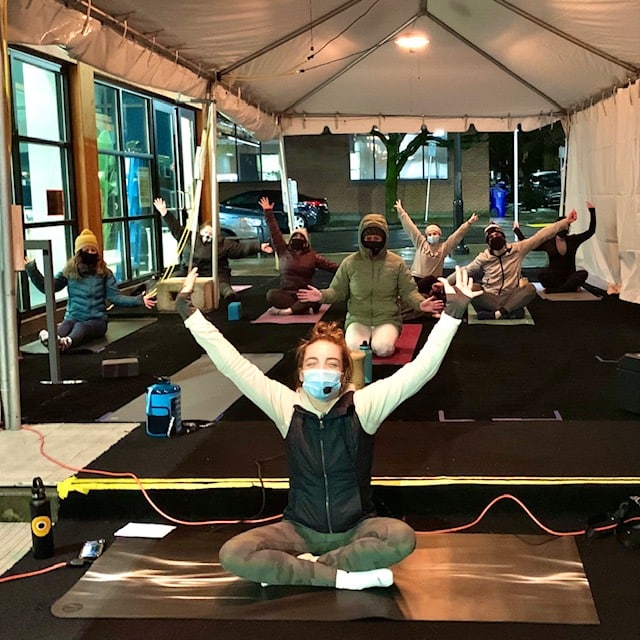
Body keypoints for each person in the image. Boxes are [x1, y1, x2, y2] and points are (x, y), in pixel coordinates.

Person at [175, 264, 479, 590]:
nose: (322, 370)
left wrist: (452, 315)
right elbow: (231, 363)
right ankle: (344, 577)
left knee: (400, 537)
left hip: (356, 530)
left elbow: (420, 370)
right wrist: (189, 314)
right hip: (298, 531)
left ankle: (309, 570)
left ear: (344, 375)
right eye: (313, 363)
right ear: (301, 373)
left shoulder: (364, 406)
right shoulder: (285, 406)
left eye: (331, 363)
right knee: (235, 553)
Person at [297, 213, 445, 356]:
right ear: (361, 238)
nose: (372, 241)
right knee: (355, 350)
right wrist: (321, 296)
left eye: (376, 238)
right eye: (368, 238)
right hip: (358, 319)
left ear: (384, 239)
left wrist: (420, 304)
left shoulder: (396, 263)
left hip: (387, 319)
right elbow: (337, 291)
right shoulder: (350, 263)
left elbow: (409, 291)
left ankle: (382, 339)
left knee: (383, 349)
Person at [24, 228, 156, 351]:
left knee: (80, 327)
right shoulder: (69, 271)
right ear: (79, 252)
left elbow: (115, 297)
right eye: (87, 250)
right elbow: (48, 287)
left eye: (93, 250)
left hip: (97, 321)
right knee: (66, 325)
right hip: (73, 317)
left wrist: (139, 300)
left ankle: (67, 342)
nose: (91, 253)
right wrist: (31, 269)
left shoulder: (105, 273)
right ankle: (53, 340)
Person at [454, 211, 577, 320]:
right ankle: (509, 312)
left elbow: (541, 235)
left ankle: (498, 314)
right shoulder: (483, 258)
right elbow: (464, 271)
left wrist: (565, 222)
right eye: (491, 237)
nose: (495, 237)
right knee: (471, 288)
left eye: (497, 235)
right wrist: (444, 285)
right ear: (487, 242)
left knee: (530, 289)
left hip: (511, 296)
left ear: (503, 236)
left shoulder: (518, 249)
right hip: (490, 298)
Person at [154, 197, 272, 302]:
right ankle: (155, 295)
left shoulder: (222, 244)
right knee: (174, 278)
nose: (207, 236)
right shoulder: (190, 238)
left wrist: (259, 246)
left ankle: (229, 294)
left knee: (222, 285)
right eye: (206, 232)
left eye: (210, 234)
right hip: (190, 270)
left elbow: (240, 248)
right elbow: (176, 228)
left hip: (215, 271)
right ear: (200, 231)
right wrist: (164, 212)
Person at [259, 196, 339, 315]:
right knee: (271, 294)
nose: (297, 238)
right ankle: (299, 308)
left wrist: (349, 270)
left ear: (306, 242)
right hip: (287, 294)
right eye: (295, 236)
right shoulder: (283, 250)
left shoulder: (313, 256)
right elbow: (274, 232)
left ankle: (290, 310)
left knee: (315, 296)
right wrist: (268, 212)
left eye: (301, 237)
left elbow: (332, 267)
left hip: (305, 294)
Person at [394, 199, 478, 296]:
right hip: (417, 278)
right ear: (426, 236)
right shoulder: (421, 243)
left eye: (435, 233)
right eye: (429, 234)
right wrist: (401, 212)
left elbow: (457, 235)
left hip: (434, 282)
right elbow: (411, 228)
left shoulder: (444, 248)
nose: (432, 236)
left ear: (439, 235)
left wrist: (469, 223)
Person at [512, 201, 596, 293]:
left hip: (569, 277)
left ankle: (558, 290)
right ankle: (566, 288)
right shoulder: (549, 242)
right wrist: (517, 231)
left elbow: (591, 231)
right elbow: (530, 245)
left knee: (583, 273)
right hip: (554, 278)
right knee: (542, 274)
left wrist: (592, 211)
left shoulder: (573, 240)